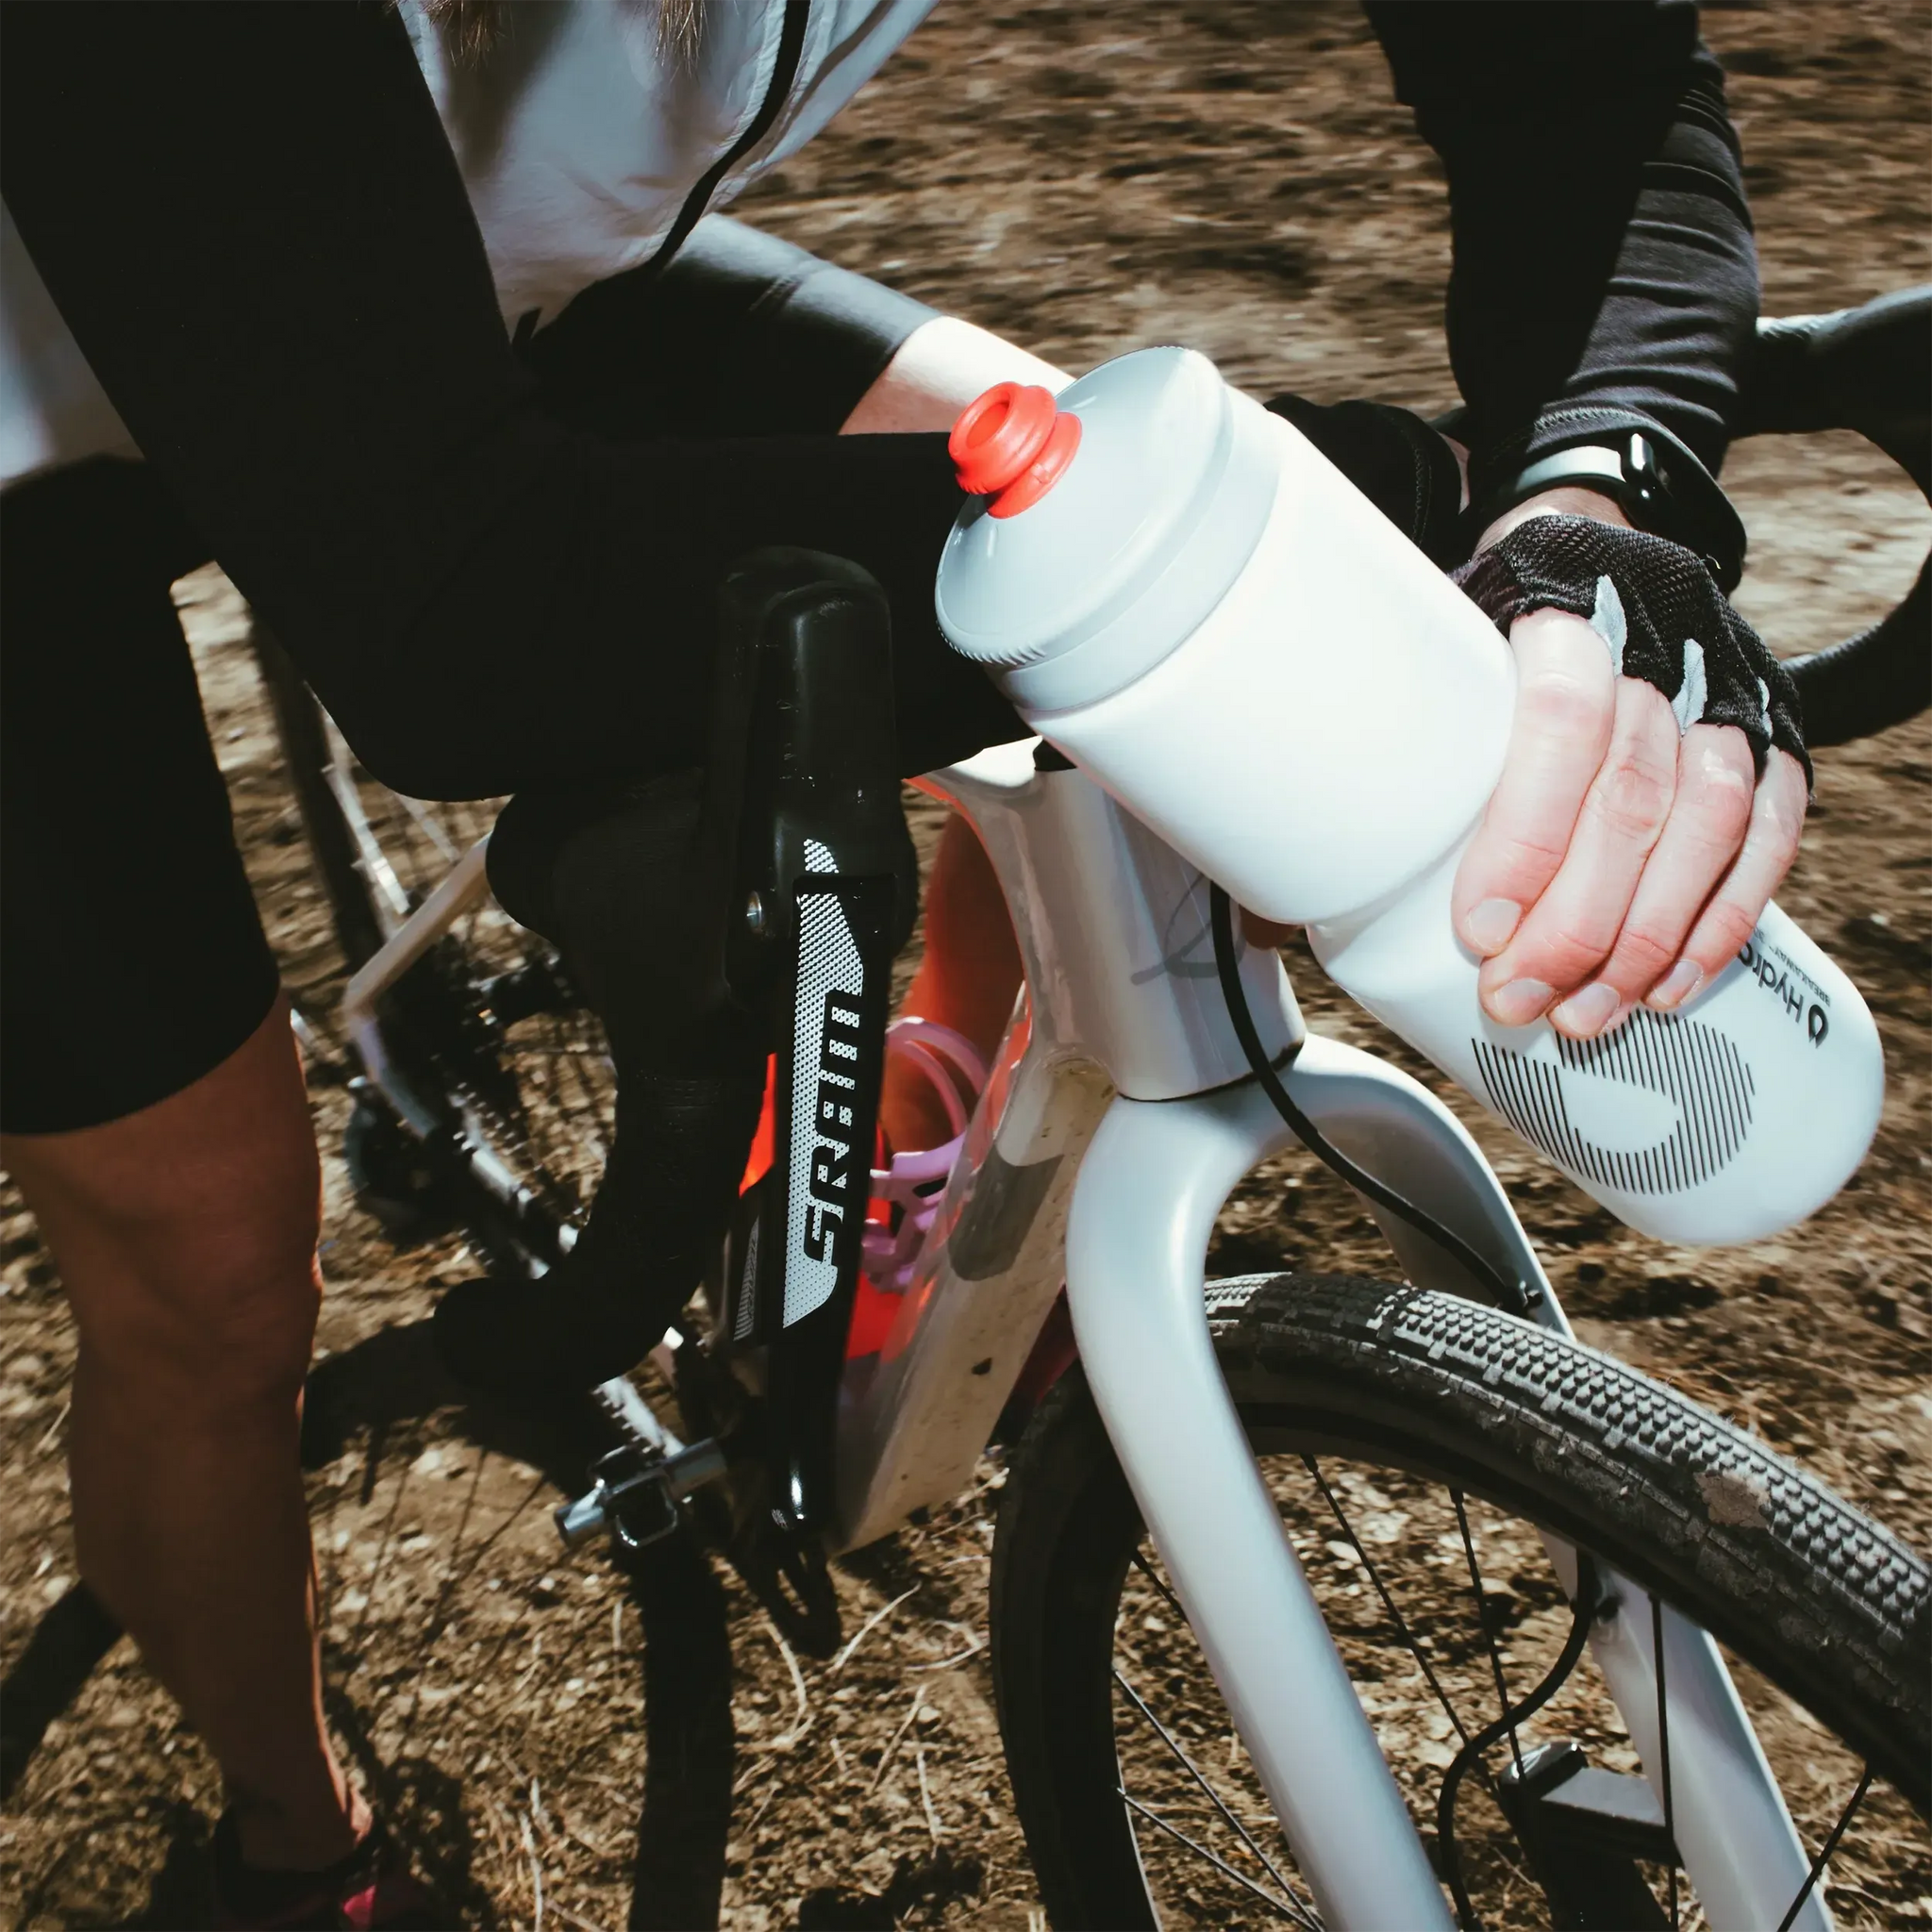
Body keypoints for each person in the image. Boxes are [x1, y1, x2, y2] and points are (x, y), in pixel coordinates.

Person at [0, 0, 1807, 1922]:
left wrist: (1589, 500)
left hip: (485, 259)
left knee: (1114, 545)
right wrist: (1346, 516)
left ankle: (903, 1180)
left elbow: (1576, 79)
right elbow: (457, 611)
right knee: (210, 1287)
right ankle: (298, 1842)